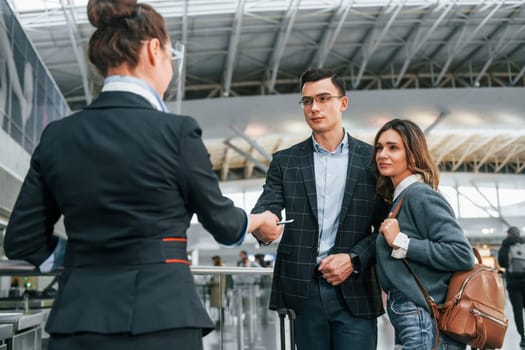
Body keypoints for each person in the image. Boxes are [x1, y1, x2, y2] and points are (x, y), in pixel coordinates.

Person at [2, 1, 281, 349]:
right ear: (152, 49)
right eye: (169, 56)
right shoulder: (175, 132)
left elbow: (21, 240)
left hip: (79, 321)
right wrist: (259, 221)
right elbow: (223, 225)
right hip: (162, 318)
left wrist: (84, 258)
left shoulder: (58, 135)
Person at [251, 67, 389, 350]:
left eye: (324, 98)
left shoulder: (373, 161)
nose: (314, 107)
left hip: (355, 287)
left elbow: (388, 226)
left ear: (343, 103)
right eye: (307, 101)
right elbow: (267, 207)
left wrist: (354, 258)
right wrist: (265, 227)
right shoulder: (285, 162)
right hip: (305, 292)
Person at [374, 118, 475, 350]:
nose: (382, 154)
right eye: (379, 147)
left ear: (412, 155)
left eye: (393, 147)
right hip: (411, 311)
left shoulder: (420, 195)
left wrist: (401, 241)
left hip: (420, 312)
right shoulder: (401, 199)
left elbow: (461, 253)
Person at [497, 226, 525, 348]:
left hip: (513, 282)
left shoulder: (505, 245)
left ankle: (523, 337)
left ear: (509, 234)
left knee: (517, 310)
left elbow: (502, 263)